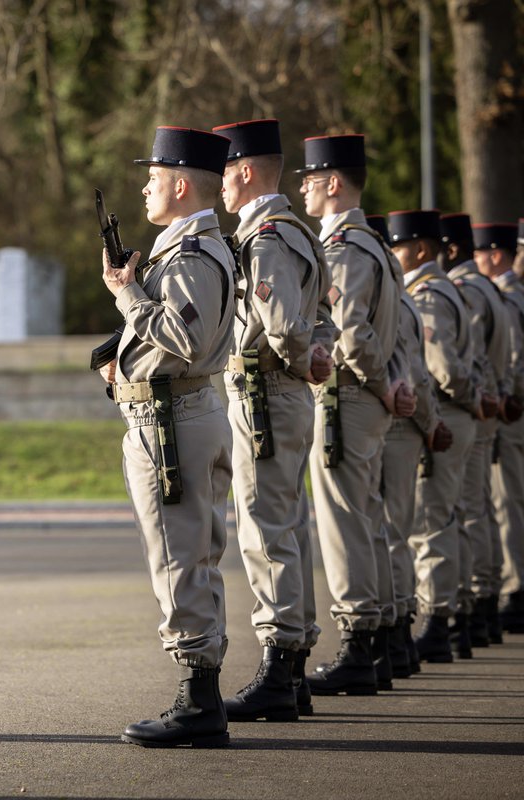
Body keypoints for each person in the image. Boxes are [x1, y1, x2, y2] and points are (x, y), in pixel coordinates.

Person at [100, 126, 235, 748]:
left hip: (172, 425)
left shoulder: (194, 256)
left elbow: (187, 340)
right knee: (193, 554)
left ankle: (199, 701)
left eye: (154, 178)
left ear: (182, 185)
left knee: (181, 558)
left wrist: (127, 294)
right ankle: (200, 690)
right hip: (174, 414)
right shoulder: (185, 251)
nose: (146, 187)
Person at [210, 119, 336, 722]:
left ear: (246, 171)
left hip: (263, 395)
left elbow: (286, 325)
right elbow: (323, 317)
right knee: (288, 525)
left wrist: (300, 355)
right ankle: (295, 666)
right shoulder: (301, 233)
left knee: (265, 531)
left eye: (224, 174)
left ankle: (280, 665)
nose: (219, 186)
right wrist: (318, 352)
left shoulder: (264, 238)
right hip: (281, 395)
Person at [297, 134, 402, 696]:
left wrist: (384, 386)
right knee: (365, 518)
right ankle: (377, 642)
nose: (305, 190)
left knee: (344, 524)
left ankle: (359, 644)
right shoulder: (376, 245)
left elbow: (354, 335)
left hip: (347, 397)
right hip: (366, 399)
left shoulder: (342, 249)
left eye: (310, 181)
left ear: (333, 183)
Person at [391, 210, 485, 663]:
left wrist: (462, 400)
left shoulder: (425, 295)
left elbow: (441, 367)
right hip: (457, 414)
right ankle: (457, 621)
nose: (393, 253)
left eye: (400, 245)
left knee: (431, 523)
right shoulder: (446, 288)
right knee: (453, 516)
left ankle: (437, 622)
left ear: (422, 250)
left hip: (443, 415)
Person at [372, 213, 445, 679]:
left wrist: (429, 420)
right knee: (394, 532)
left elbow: (412, 374)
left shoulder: (397, 302)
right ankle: (397, 637)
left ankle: (394, 635)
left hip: (396, 423)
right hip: (406, 421)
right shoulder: (405, 300)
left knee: (388, 533)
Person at [440, 214, 512, 650]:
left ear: (450, 250)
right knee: (479, 507)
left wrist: (478, 395)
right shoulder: (489, 290)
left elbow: (456, 362)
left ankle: (467, 606)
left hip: (467, 407)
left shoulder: (465, 290)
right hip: (485, 405)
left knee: (460, 512)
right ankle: (480, 604)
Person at [475, 222, 524, 633]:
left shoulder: (506, 296)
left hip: (510, 410)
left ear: (494, 255)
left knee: (506, 502)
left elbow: (515, 356)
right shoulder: (512, 294)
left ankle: (515, 588)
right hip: (511, 406)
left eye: (478, 254)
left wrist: (511, 393)